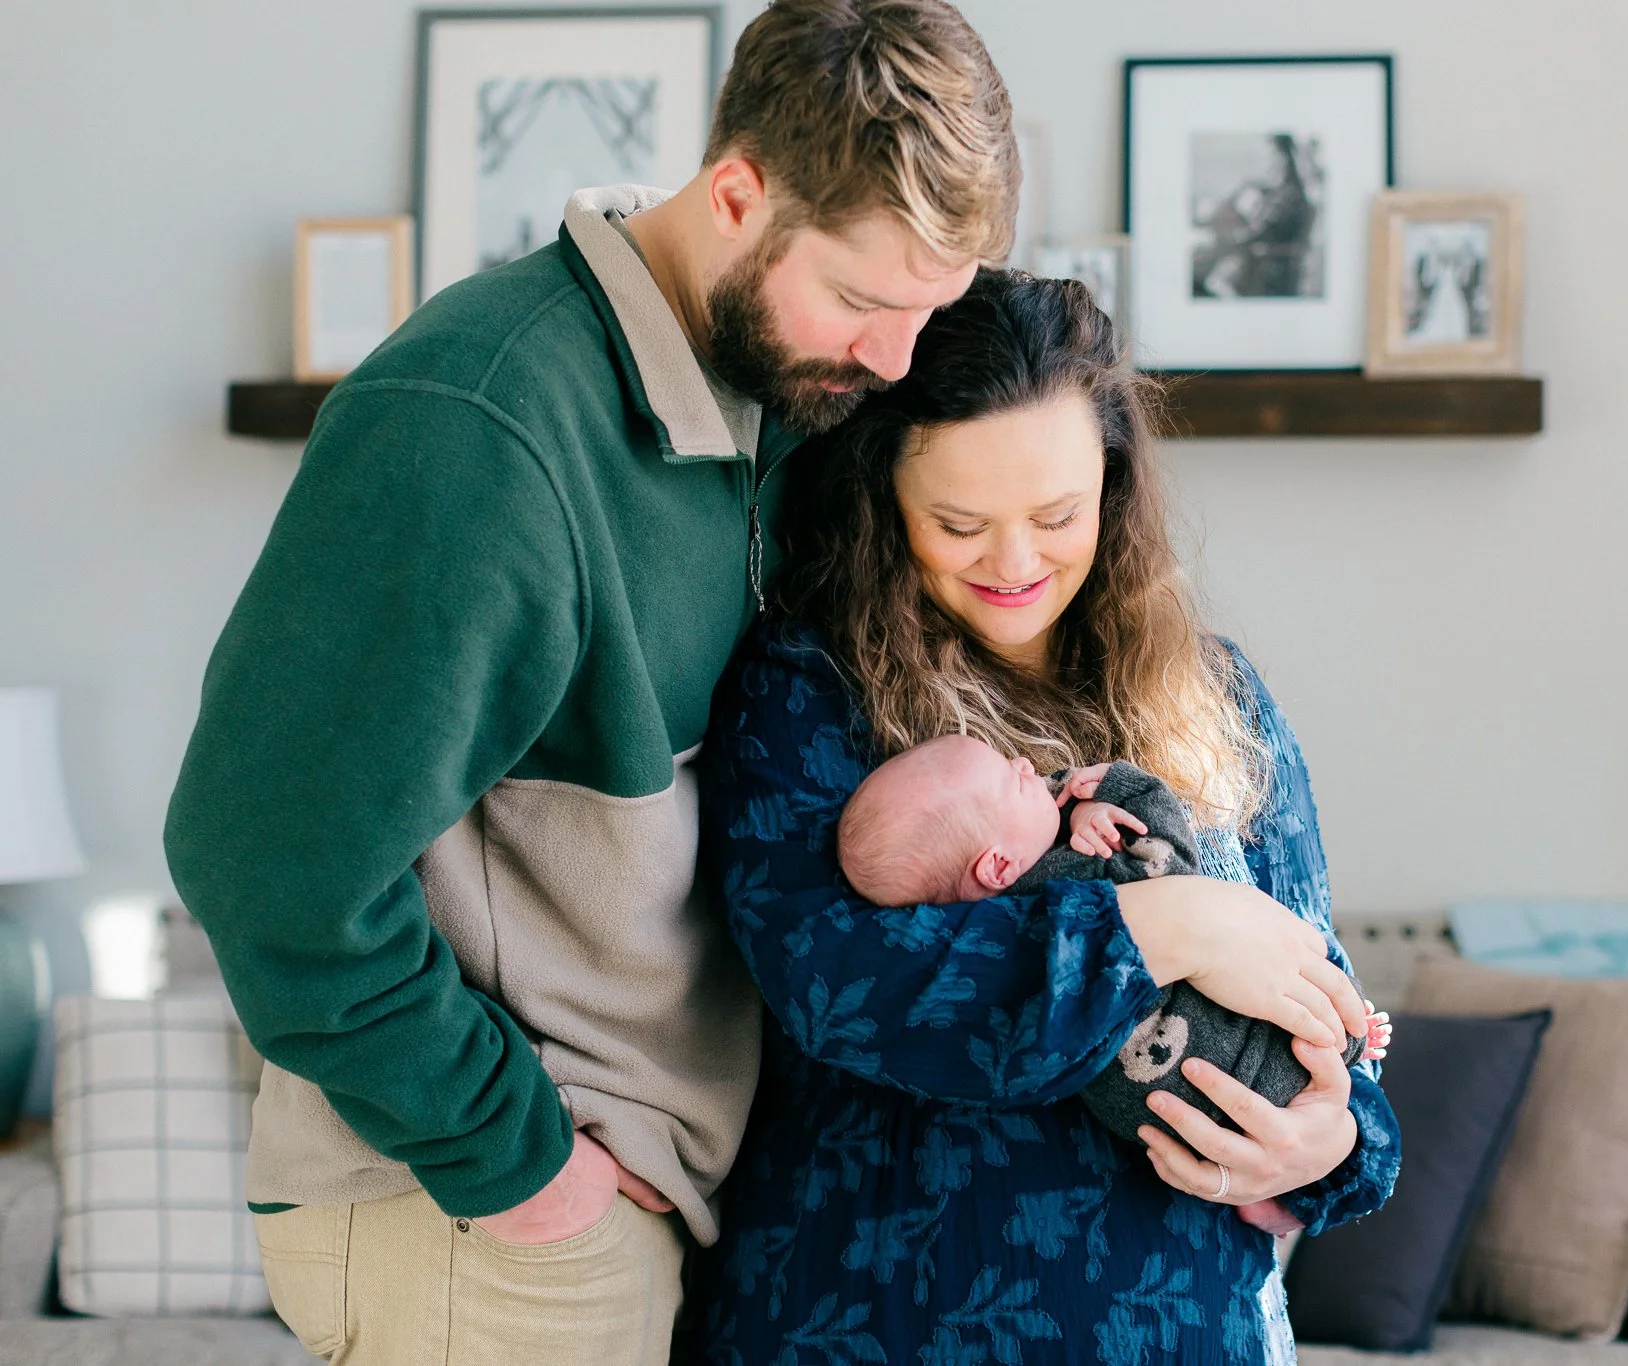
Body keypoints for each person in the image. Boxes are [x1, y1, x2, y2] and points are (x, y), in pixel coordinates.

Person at [160, 3, 1018, 1362]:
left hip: (643, 1192)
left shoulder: (780, 397)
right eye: (863, 301)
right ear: (736, 193)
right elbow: (265, 857)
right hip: (479, 1210)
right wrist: (517, 1161)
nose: (893, 359)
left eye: (931, 312)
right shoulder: (477, 425)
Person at [695, 270, 1400, 1364]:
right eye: (960, 523)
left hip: (1181, 1329)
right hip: (879, 1318)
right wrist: (1166, 928)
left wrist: (1330, 1135)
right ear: (884, 498)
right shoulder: (806, 690)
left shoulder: (1216, 701)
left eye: (1057, 515)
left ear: (1113, 489)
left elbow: (1320, 989)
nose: (1015, 562)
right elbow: (838, 985)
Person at [835, 737, 1391, 1143]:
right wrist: (1120, 794)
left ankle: (1342, 1055)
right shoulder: (1080, 881)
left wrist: (1080, 814)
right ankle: (1349, 1038)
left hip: (1155, 1112)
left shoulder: (995, 935)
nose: (1029, 764)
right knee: (1305, 1029)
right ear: (998, 864)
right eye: (1014, 778)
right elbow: (1171, 857)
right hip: (1230, 1062)